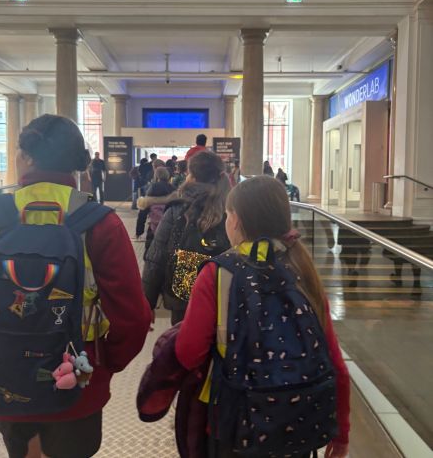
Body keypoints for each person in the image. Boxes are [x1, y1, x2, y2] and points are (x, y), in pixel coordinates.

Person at [0, 114, 151, 458]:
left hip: (1, 377)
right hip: (77, 377)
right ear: (77, 161)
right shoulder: (100, 222)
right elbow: (134, 318)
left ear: (25, 156)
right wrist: (104, 363)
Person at [175, 175, 350, 458]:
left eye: (228, 215)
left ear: (236, 220)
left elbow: (188, 353)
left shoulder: (218, 273)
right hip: (299, 422)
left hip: (234, 422)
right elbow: (335, 362)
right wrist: (341, 432)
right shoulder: (302, 268)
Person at [142, 151, 230, 326]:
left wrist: (147, 302)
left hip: (182, 294)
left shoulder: (177, 209)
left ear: (191, 176)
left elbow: (156, 258)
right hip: (222, 293)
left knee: (183, 338)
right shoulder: (231, 209)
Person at [136, 166, 177, 258]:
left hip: (153, 228)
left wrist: (139, 231)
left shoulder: (152, 188)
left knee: (149, 253)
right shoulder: (173, 189)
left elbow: (142, 214)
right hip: (170, 228)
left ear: (156, 176)